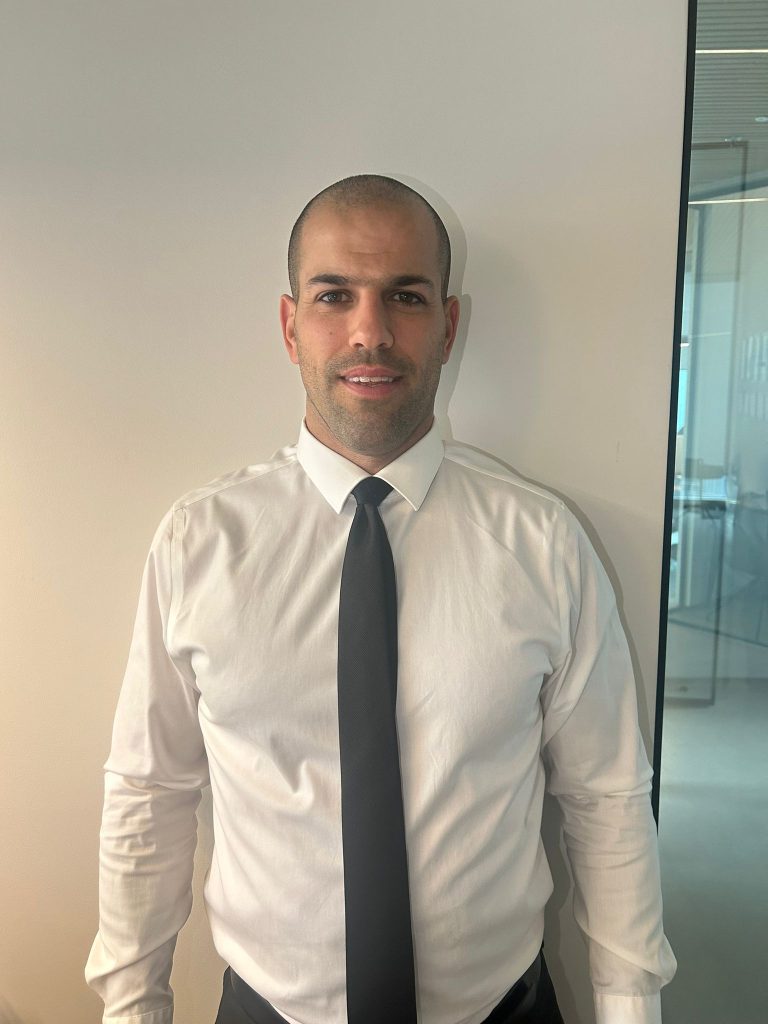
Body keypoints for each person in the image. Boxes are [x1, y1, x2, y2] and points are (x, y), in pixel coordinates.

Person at [86, 175, 676, 1024]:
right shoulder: (198, 546)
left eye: (405, 296)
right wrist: (132, 1008)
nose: (370, 331)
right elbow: (150, 793)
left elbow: (606, 795)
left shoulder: (543, 545)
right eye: (335, 295)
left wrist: (630, 1010)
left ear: (449, 325)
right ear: (291, 326)